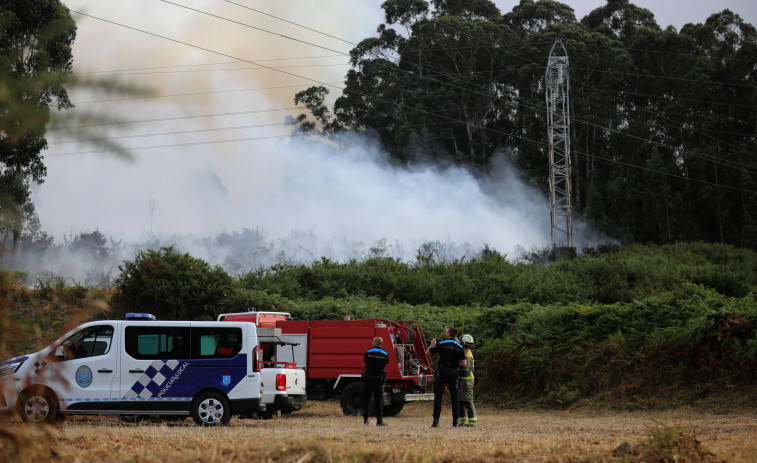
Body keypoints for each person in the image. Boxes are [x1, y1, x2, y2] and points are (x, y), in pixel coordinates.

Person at [426, 326, 466, 428]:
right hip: (453, 373)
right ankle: (455, 421)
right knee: (454, 397)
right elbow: (464, 364)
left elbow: (428, 353)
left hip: (442, 372)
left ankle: (436, 420)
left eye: (446, 332)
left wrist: (432, 344)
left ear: (448, 334)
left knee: (438, 397)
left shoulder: (442, 344)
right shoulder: (459, 347)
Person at [362, 336, 389, 426]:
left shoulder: (368, 352)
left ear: (376, 343)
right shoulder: (385, 354)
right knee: (379, 400)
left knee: (366, 399)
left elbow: (364, 365)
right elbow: (385, 364)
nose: (372, 343)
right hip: (379, 379)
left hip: (369, 377)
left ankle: (366, 420)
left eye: (373, 341)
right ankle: (379, 421)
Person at [458, 334, 477, 427]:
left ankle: (472, 422)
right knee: (461, 402)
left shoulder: (467, 355)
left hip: (467, 381)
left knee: (468, 402)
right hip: (463, 381)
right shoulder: (465, 353)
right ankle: (462, 421)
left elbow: (464, 367)